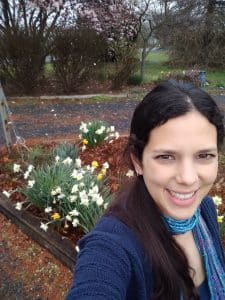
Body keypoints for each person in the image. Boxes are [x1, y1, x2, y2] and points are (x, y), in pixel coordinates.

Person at [66, 80, 225, 300]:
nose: (188, 178)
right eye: (166, 157)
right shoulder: (113, 245)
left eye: (204, 156)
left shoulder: (204, 211)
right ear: (138, 161)